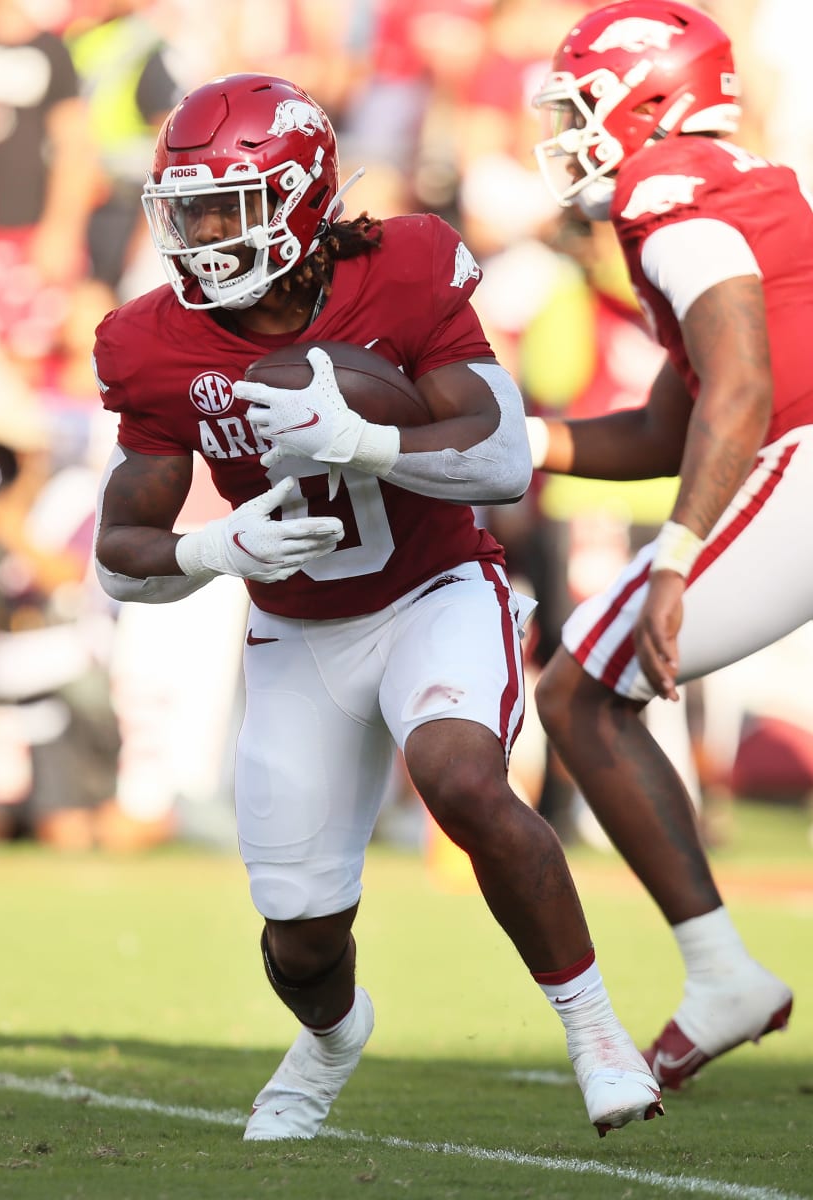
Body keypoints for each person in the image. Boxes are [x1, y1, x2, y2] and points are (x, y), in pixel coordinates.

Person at [91, 72, 662, 1139]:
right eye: (188, 207)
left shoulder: (401, 269)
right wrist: (217, 544)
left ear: (303, 201)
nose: (203, 234)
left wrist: (368, 443)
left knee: (459, 777)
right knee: (302, 939)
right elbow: (121, 558)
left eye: (229, 205)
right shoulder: (150, 343)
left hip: (434, 589)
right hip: (294, 632)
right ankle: (331, 1037)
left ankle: (594, 1030)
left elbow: (499, 456)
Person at [528, 0, 796, 1091]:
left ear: (653, 97)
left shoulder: (664, 187)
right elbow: (663, 424)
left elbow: (743, 388)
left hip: (804, 451)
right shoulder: (719, 184)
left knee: (581, 693)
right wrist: (506, 444)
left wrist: (679, 554)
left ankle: (721, 970)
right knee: (581, 693)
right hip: (794, 446)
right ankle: (722, 972)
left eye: (584, 103)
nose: (568, 128)